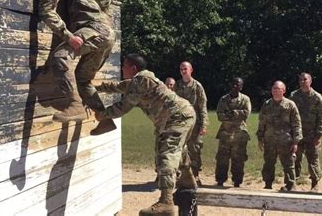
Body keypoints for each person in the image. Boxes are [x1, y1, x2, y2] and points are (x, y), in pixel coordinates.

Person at [95, 54, 196, 215]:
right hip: (178, 116)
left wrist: (103, 114)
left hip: (176, 117)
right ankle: (187, 181)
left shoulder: (141, 80)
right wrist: (95, 87)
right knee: (175, 150)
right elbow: (118, 86)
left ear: (133, 68)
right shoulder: (139, 81)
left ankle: (166, 203)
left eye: (125, 65)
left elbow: (124, 107)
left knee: (166, 154)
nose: (122, 68)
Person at [51, 0, 116, 125]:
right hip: (106, 35)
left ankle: (75, 105)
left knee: (61, 56)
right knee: (82, 79)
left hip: (95, 30)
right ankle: (104, 119)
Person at [257, 81, 302, 191]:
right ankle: (268, 183)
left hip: (285, 141)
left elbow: (297, 124)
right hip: (270, 140)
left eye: (278, 89)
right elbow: (262, 122)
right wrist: (260, 138)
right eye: (274, 89)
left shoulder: (290, 105)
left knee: (288, 165)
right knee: (268, 163)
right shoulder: (267, 104)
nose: (275, 91)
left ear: (284, 91)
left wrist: (296, 142)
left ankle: (290, 185)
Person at [289, 72, 322, 192]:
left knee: (313, 160)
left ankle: (315, 184)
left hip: (312, 135)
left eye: (305, 79)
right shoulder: (294, 95)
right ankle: (292, 183)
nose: (302, 82)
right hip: (297, 134)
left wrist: (319, 134)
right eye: (300, 80)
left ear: (310, 81)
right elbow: (289, 113)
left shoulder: (317, 97)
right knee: (294, 159)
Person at [175, 61, 209, 186]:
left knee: (195, 150)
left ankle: (195, 175)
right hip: (180, 124)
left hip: (195, 124)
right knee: (180, 150)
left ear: (191, 70)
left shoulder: (197, 86)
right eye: (181, 69)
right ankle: (182, 176)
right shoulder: (177, 86)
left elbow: (203, 107)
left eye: (185, 69)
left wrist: (204, 125)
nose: (183, 71)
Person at [215, 77, 251, 187]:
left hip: (239, 133)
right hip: (225, 133)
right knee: (222, 158)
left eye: (238, 85)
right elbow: (219, 115)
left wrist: (235, 113)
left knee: (239, 158)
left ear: (241, 87)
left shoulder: (245, 99)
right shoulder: (223, 99)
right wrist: (229, 116)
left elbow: (246, 113)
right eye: (233, 84)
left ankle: (237, 181)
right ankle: (220, 180)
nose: (235, 86)